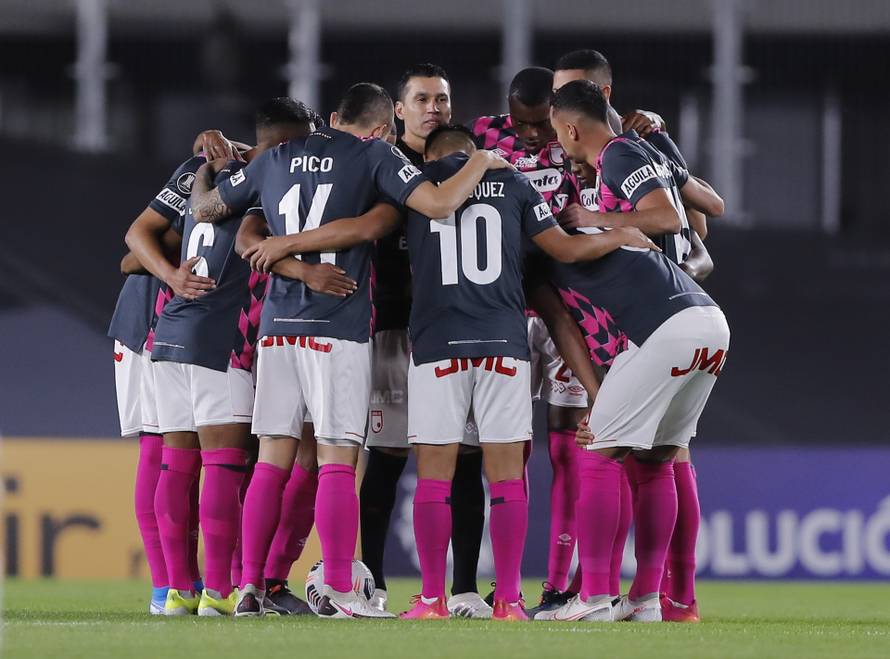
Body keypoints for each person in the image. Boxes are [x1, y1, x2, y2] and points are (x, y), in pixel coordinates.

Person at [242, 123, 657, 621]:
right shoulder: (517, 183)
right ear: (472, 151)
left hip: (437, 347)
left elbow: (374, 237)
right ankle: (507, 601)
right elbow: (564, 251)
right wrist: (621, 233)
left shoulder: (413, 191)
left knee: (434, 480)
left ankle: (432, 599)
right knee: (505, 482)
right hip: (504, 344)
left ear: (432, 159)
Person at [189, 83, 511, 619]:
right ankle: (338, 585)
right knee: (339, 457)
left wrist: (210, 165)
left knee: (272, 457)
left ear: (336, 118)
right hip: (337, 326)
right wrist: (481, 160)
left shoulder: (276, 159)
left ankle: (248, 589)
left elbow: (205, 209)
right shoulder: (376, 155)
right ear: (384, 128)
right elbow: (437, 202)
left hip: (276, 328)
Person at [536, 80, 729, 623]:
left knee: (599, 452)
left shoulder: (616, 158)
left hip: (659, 327)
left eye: (557, 132)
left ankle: (595, 596)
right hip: (704, 316)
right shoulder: (641, 154)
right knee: (658, 461)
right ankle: (654, 599)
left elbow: (668, 220)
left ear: (571, 127)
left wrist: (607, 223)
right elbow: (705, 217)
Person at [125, 99, 323, 616]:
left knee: (177, 466)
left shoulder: (203, 170)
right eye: (302, 144)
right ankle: (217, 590)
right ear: (285, 145)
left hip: (169, 336)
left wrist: (172, 279)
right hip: (221, 339)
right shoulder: (269, 180)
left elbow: (143, 234)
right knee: (223, 469)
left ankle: (177, 592)